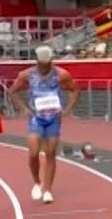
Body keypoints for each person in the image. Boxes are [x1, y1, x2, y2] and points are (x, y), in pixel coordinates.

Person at [9, 45, 77, 205]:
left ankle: (47, 190)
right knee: (33, 153)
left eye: (48, 64)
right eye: (42, 64)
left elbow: (75, 91)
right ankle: (37, 182)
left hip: (53, 118)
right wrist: (23, 109)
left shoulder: (61, 75)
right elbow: (13, 92)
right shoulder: (27, 75)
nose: (45, 67)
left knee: (50, 153)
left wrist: (67, 109)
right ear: (37, 61)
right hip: (36, 117)